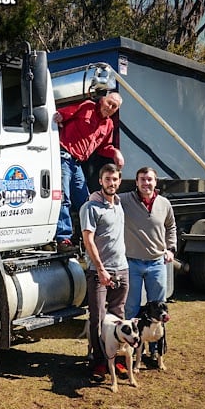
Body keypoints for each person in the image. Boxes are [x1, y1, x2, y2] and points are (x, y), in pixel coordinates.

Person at [54, 92, 124, 253]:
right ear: (102, 100)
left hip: (77, 164)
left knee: (85, 202)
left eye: (114, 106)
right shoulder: (87, 106)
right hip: (63, 156)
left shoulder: (109, 125)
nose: (110, 107)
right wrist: (58, 117)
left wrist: (115, 153)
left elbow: (104, 147)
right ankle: (63, 239)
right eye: (109, 103)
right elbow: (63, 114)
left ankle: (90, 237)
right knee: (63, 198)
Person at [79, 163, 129, 381]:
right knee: (98, 319)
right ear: (100, 181)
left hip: (122, 269)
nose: (112, 183)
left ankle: (115, 359)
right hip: (99, 272)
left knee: (118, 317)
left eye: (115, 179)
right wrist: (100, 269)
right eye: (108, 179)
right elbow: (88, 240)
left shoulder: (118, 204)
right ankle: (99, 363)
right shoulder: (91, 207)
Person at [120, 166, 177, 323]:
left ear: (155, 181)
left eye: (149, 179)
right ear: (136, 182)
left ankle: (155, 345)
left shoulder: (164, 204)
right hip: (132, 263)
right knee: (131, 307)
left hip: (157, 263)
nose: (146, 183)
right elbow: (106, 198)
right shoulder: (124, 200)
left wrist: (171, 249)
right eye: (142, 180)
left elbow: (171, 227)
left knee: (158, 308)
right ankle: (133, 345)